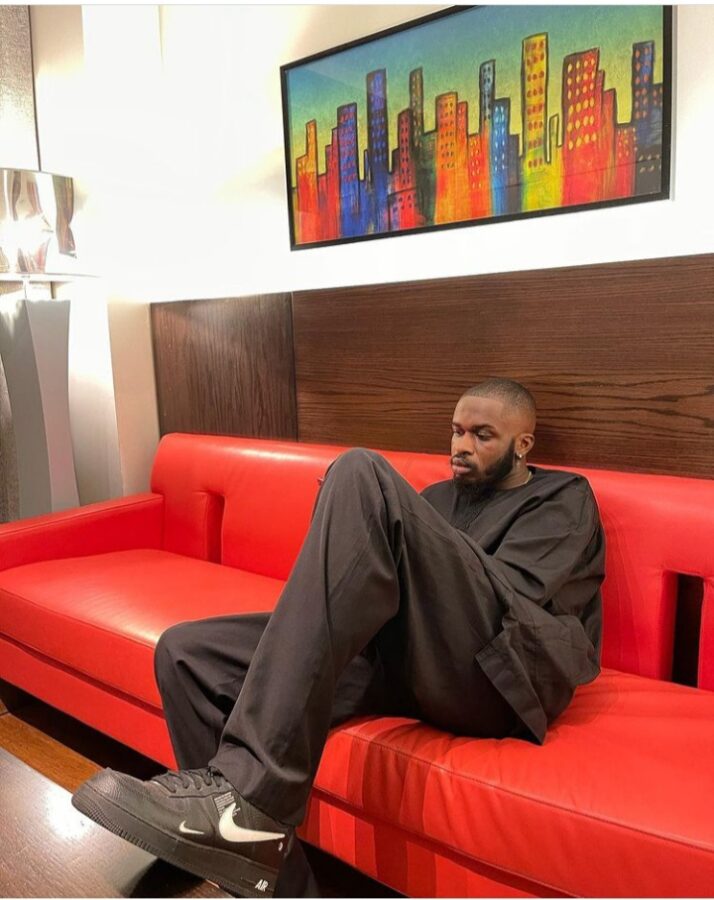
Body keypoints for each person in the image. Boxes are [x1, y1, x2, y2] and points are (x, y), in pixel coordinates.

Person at [72, 378, 605, 898]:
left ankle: (246, 793)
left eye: (482, 435)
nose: (461, 446)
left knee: (359, 469)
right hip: (410, 666)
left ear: (523, 444)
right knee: (188, 654)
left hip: (499, 679)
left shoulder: (561, 496)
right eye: (456, 431)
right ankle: (271, 875)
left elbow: (513, 603)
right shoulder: (439, 498)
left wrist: (396, 526)